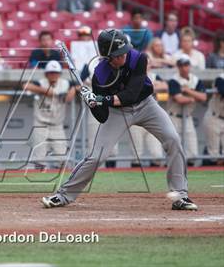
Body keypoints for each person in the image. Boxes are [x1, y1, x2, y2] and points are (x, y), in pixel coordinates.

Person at [42, 28, 198, 211]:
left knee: (173, 139)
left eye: (124, 51)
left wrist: (101, 99)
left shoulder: (138, 58)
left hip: (146, 105)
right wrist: (91, 101)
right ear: (107, 56)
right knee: (97, 156)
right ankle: (63, 195)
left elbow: (131, 94)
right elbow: (102, 116)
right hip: (117, 113)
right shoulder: (100, 74)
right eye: (118, 54)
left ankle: (180, 195)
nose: (123, 56)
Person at [23, 61, 76, 169]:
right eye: (51, 72)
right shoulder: (41, 82)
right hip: (40, 124)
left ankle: (64, 183)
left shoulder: (65, 83)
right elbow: (25, 85)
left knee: (63, 158)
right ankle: (38, 181)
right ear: (46, 74)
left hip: (57, 125)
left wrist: (73, 90)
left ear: (60, 73)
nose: (53, 75)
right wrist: (45, 91)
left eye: (56, 72)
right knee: (39, 158)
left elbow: (79, 85)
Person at [167, 55, 207, 163]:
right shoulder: (173, 80)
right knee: (174, 149)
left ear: (189, 66)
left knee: (192, 152)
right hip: (174, 117)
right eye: (181, 65)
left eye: (186, 65)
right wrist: (194, 98)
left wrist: (188, 91)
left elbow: (203, 97)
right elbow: (179, 99)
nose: (184, 68)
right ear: (178, 67)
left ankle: (190, 174)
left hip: (188, 117)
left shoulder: (196, 80)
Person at [129, 63, 168, 167]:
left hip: (151, 117)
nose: (145, 65)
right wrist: (153, 85)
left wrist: (148, 86)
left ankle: (156, 177)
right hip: (135, 117)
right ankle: (134, 179)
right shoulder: (131, 75)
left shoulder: (154, 76)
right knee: (137, 154)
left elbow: (165, 86)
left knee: (157, 154)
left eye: (147, 63)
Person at [203, 73, 224, 166]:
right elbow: (222, 90)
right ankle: (209, 175)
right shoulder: (220, 78)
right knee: (214, 154)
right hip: (214, 118)